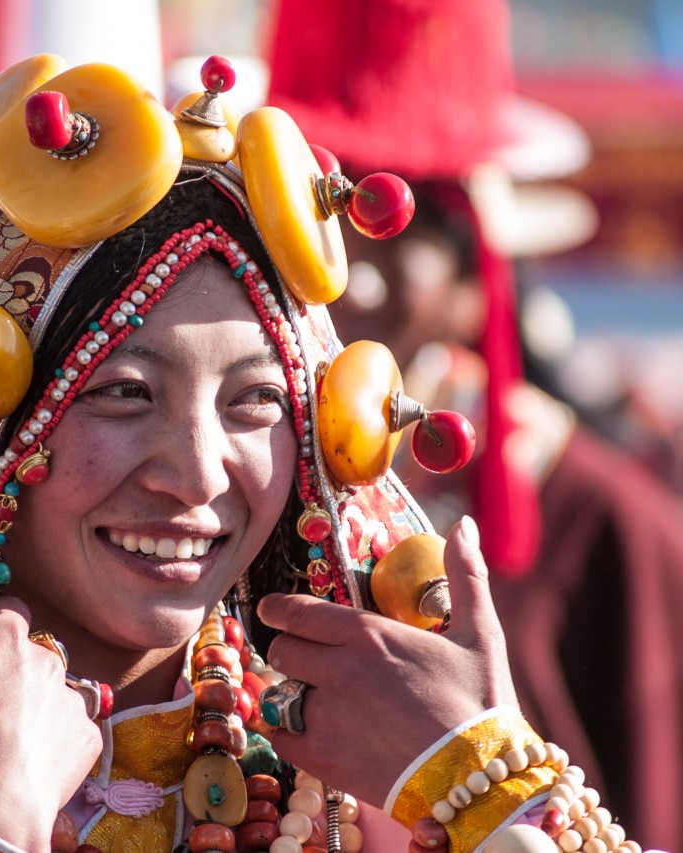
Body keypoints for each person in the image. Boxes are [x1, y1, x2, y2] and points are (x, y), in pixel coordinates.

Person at [0, 54, 655, 853]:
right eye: (123, 393)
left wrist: (488, 779)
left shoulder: (377, 787)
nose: (198, 472)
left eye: (256, 402)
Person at [267, 0, 683, 848]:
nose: (351, 275)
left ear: (470, 276)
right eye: (322, 222)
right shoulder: (221, 480)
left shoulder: (604, 517)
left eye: (389, 232)